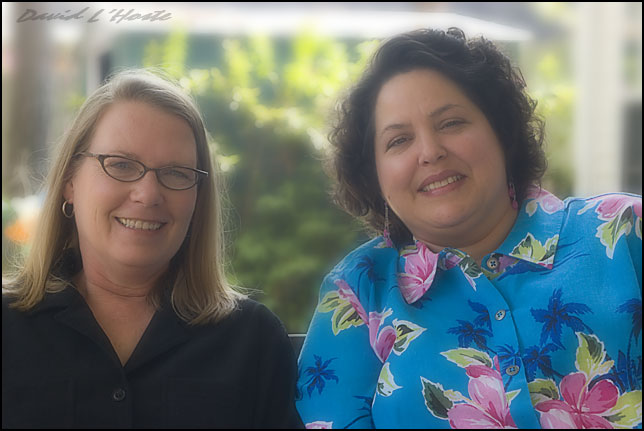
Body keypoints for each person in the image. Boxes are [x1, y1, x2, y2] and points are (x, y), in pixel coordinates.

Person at [296, 28, 642, 429]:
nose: (430, 152)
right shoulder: (358, 290)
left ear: (502, 132)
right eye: (399, 140)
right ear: (373, 175)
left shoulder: (625, 233)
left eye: (452, 123)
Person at [2, 69, 303, 429]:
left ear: (198, 198)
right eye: (121, 165)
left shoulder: (253, 342)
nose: (147, 194)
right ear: (70, 182)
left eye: (176, 173)